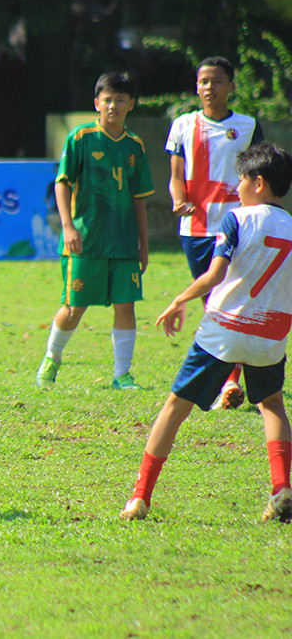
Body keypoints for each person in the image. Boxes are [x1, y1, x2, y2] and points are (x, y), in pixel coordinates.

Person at [121, 142, 292, 523]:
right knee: (272, 405)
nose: (238, 187)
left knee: (174, 408)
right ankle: (282, 488)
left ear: (258, 183)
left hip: (225, 328)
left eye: (242, 180)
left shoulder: (237, 219)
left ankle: (139, 497)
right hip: (272, 334)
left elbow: (214, 274)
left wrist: (179, 299)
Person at [35, 72, 154, 390]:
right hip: (85, 240)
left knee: (126, 305)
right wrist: (68, 226)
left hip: (124, 241)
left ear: (131, 104)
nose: (112, 105)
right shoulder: (80, 138)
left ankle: (122, 375)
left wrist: (143, 243)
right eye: (107, 99)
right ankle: (51, 358)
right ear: (96, 103)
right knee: (74, 307)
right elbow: (62, 184)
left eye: (119, 100)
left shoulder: (135, 146)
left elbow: (139, 199)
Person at [165, 56, 265, 410]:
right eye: (204, 81)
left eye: (218, 81)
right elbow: (177, 176)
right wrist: (179, 200)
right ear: (196, 86)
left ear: (231, 87)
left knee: (232, 301)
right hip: (196, 229)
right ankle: (227, 378)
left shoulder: (248, 126)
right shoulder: (181, 125)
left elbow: (257, 175)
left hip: (238, 226)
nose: (210, 87)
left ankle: (228, 382)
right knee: (214, 302)